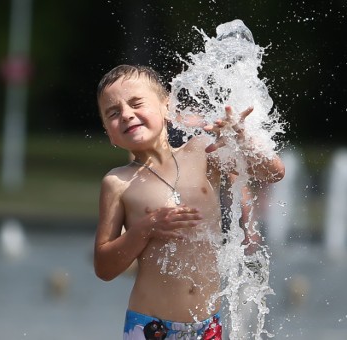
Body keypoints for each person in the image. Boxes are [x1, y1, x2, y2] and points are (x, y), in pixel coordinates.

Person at [93, 64, 285, 340]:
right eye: (113, 113)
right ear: (108, 132)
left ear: (166, 106)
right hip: (151, 327)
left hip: (207, 327)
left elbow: (274, 172)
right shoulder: (119, 183)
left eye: (137, 103)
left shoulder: (201, 152)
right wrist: (146, 227)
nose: (126, 114)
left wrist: (243, 142)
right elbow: (104, 267)